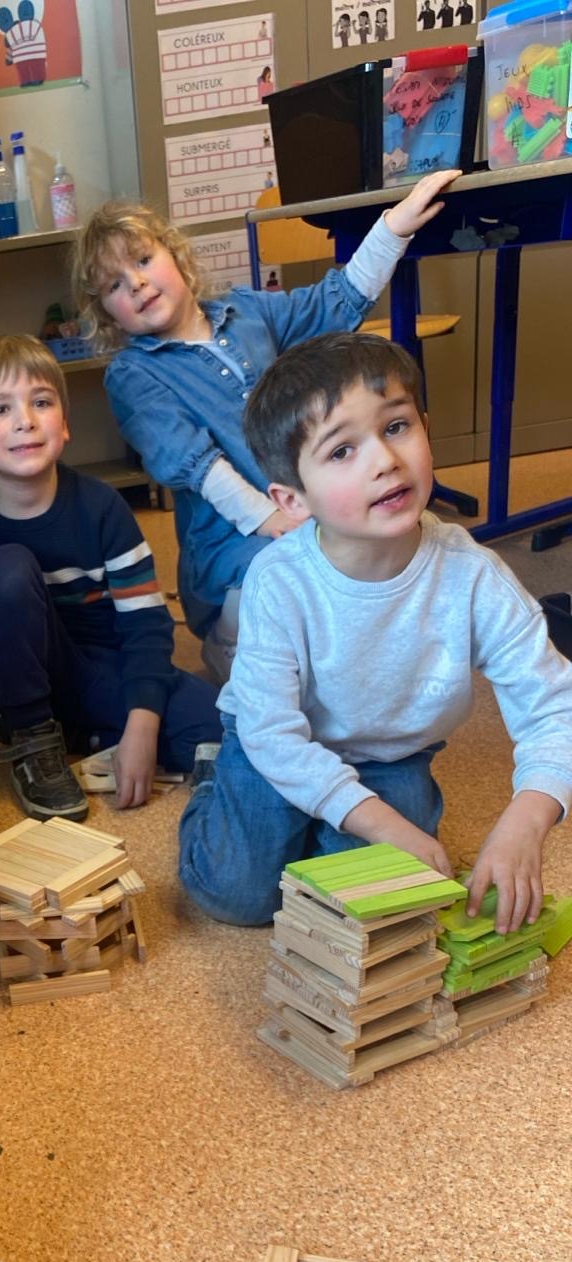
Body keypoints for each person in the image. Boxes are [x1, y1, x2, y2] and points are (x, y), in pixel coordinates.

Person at [178, 332, 572, 930]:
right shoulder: (278, 579)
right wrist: (381, 822)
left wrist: (526, 820)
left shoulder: (472, 574)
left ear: (426, 429)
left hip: (391, 755)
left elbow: (555, 706)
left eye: (396, 427)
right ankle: (214, 780)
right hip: (277, 743)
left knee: (359, 906)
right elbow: (272, 731)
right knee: (239, 897)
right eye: (342, 451)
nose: (385, 460)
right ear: (293, 499)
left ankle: (321, 818)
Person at [73, 168, 459, 683]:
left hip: (304, 502)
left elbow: (334, 301)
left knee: (378, 546)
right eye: (115, 285)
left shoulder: (247, 311)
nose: (137, 284)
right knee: (278, 577)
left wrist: (393, 228)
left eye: (143, 261)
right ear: (107, 313)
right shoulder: (132, 372)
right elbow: (195, 463)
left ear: (176, 256)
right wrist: (265, 518)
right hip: (232, 540)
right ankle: (232, 645)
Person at [0, 334, 221, 820]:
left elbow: (146, 626)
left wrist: (142, 727)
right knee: (2, 568)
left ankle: (80, 733)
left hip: (104, 671)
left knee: (221, 725)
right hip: (19, 678)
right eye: (0, 409)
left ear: (64, 425)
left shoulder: (102, 507)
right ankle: (33, 738)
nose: (25, 420)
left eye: (41, 402)